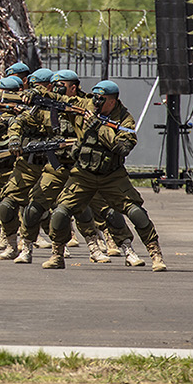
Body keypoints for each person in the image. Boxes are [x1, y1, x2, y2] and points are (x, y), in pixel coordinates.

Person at [43, 81, 167, 271]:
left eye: (102, 99)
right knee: (61, 212)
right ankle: (57, 254)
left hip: (112, 176)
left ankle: (155, 254)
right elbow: (60, 99)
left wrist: (99, 128)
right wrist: (37, 94)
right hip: (83, 174)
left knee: (136, 212)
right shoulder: (86, 106)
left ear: (113, 101)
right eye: (95, 98)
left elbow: (123, 147)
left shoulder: (125, 120)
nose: (96, 102)